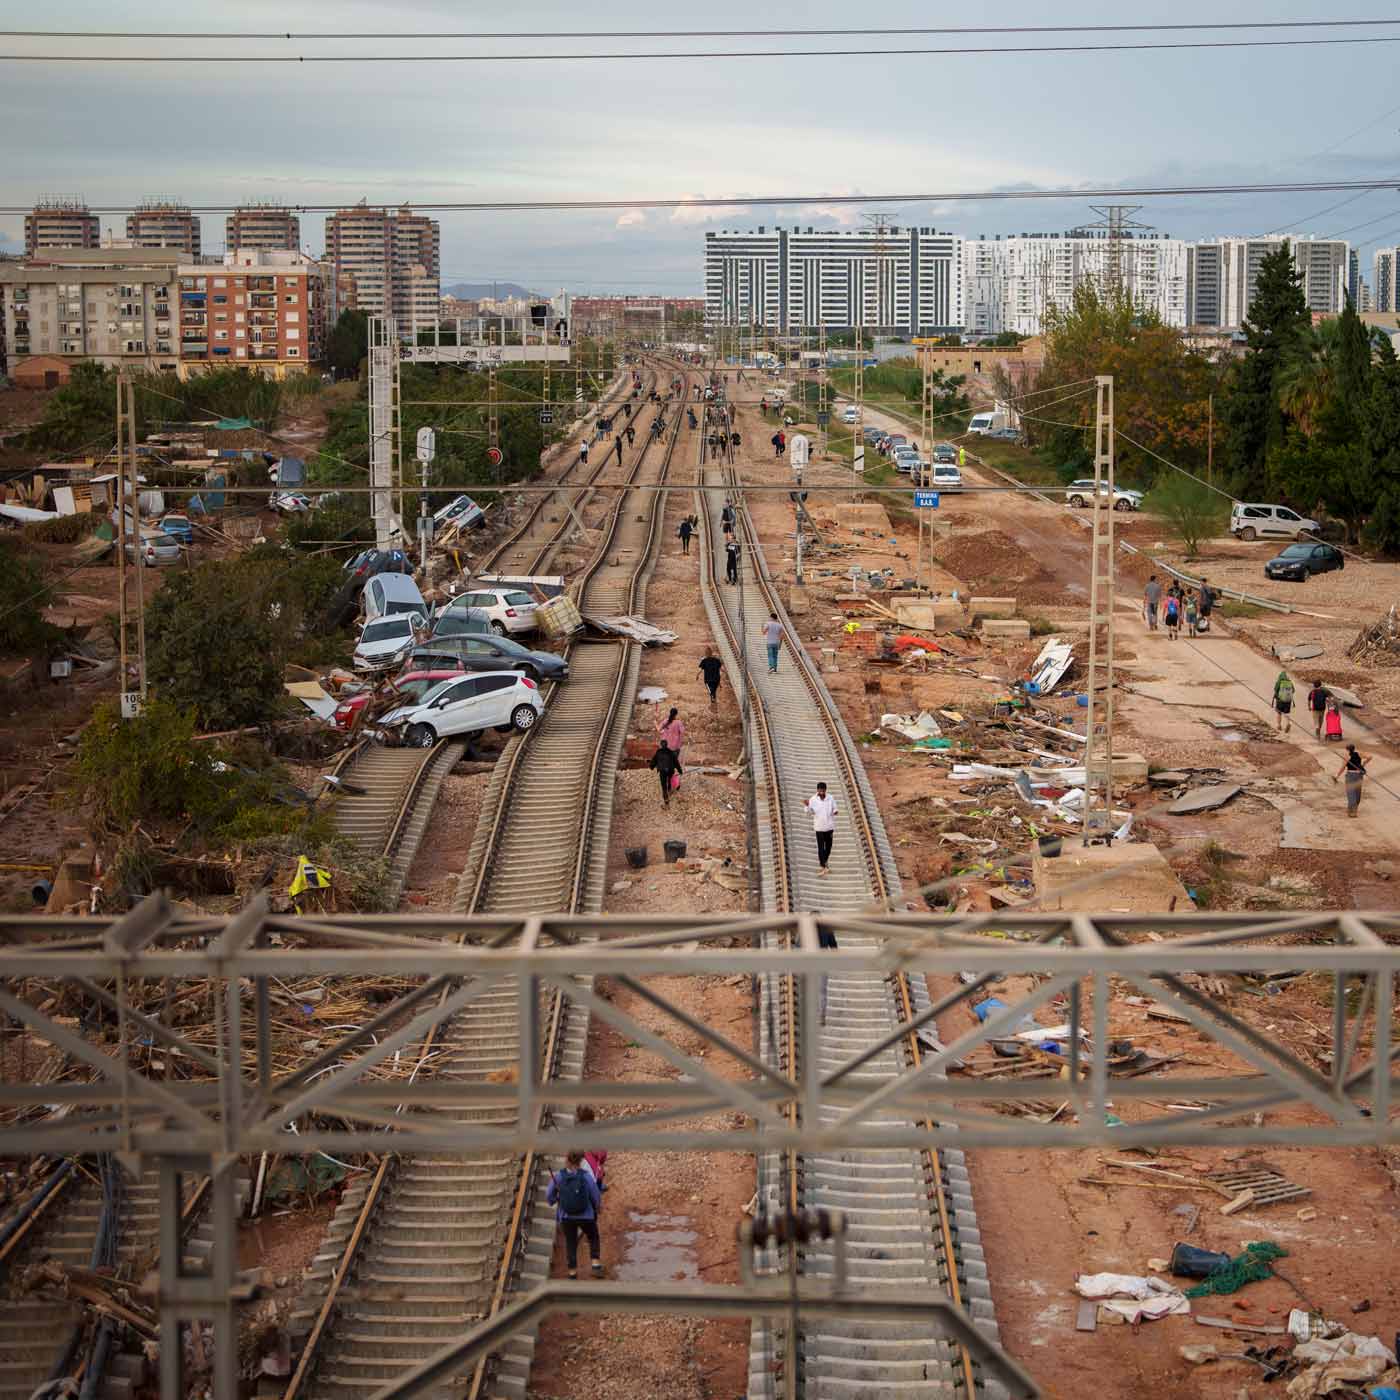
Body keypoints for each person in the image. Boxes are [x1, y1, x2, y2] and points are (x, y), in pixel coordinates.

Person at [546, 1150, 603, 1279]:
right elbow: (595, 1194)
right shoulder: (586, 1175)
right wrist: (598, 1207)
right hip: (586, 1215)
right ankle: (595, 1265)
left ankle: (572, 1273)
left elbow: (549, 1194)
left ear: (566, 1159)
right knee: (593, 1236)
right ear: (581, 1160)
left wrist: (554, 1200)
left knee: (571, 1242)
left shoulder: (559, 1176)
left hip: (566, 1216)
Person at [575, 1105, 608, 1204]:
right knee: (599, 1173)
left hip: (577, 1170)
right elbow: (602, 1155)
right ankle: (598, 1191)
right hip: (593, 1173)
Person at [805, 782, 837, 877]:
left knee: (829, 846)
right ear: (817, 790)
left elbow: (835, 807)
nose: (821, 792)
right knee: (820, 847)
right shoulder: (813, 799)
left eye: (823, 790)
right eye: (820, 790)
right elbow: (809, 812)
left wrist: (835, 811)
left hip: (829, 826)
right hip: (819, 827)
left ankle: (824, 862)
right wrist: (807, 806)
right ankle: (823, 866)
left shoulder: (830, 798)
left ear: (825, 790)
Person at [1335, 743, 1368, 817]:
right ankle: (1352, 809)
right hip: (1359, 775)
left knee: (1351, 793)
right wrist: (1364, 764)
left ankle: (1352, 811)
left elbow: (1343, 768)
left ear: (1347, 750)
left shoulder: (1347, 757)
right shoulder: (1359, 754)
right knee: (1357, 792)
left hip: (1350, 775)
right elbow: (1370, 757)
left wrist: (1337, 776)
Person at [649, 738, 682, 805]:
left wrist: (651, 767)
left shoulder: (658, 752)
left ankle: (666, 798)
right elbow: (676, 762)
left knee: (663, 784)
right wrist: (680, 770)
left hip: (662, 770)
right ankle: (669, 789)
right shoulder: (671, 752)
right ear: (667, 745)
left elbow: (654, 760)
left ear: (661, 745)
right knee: (669, 779)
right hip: (670, 770)